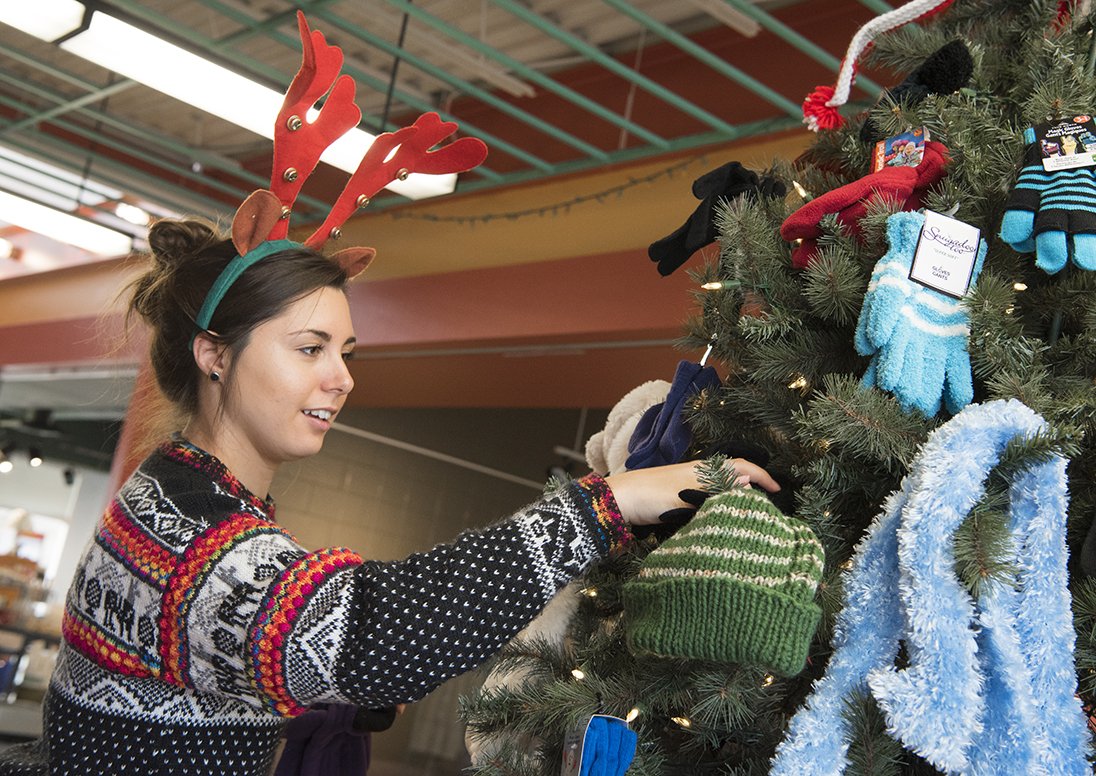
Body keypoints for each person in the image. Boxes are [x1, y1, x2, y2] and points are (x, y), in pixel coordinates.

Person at [0, 218, 779, 776]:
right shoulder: (191, 538)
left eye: (343, 351)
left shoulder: (182, 492)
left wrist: (314, 701)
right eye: (309, 349)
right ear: (214, 355)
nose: (340, 377)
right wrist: (606, 504)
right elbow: (367, 633)